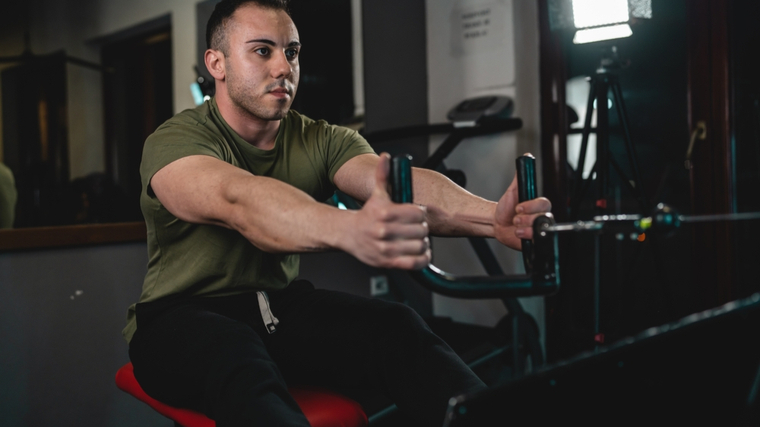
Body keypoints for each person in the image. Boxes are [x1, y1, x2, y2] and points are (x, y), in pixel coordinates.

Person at [124, 0, 552, 426]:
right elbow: (240, 203)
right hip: (177, 320)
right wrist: (351, 228)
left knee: (395, 328)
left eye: (291, 52)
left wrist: (493, 219)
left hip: (277, 310)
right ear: (216, 63)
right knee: (236, 357)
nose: (283, 68)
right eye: (262, 50)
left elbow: (396, 186)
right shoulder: (175, 141)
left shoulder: (320, 138)